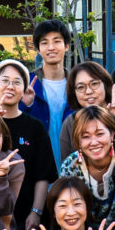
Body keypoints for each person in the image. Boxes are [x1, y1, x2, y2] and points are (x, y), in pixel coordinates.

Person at [0, 59, 58, 230]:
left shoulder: (35, 127)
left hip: (26, 218)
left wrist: (36, 212)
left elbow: (43, 175)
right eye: (5, 81)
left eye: (17, 82)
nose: (10, 86)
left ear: (24, 89)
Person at [28, 17, 75, 147]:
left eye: (56, 41)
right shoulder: (28, 84)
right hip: (38, 160)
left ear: (66, 46)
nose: (51, 48)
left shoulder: (78, 85)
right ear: (38, 49)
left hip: (73, 160)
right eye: (44, 43)